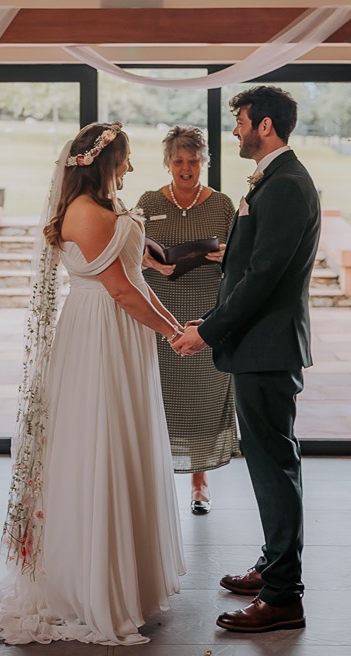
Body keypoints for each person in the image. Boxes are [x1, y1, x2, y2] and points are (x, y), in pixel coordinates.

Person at [0, 121, 186, 646]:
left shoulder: (106, 209)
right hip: (99, 335)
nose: (132, 167)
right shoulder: (87, 213)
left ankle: (125, 581)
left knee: (124, 442)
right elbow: (120, 292)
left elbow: (136, 283)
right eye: (126, 157)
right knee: (99, 444)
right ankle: (90, 587)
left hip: (121, 331)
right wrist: (172, 332)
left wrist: (174, 328)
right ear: (103, 161)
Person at [174, 86, 320, 634]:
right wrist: (208, 321)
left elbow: (263, 278)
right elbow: (243, 270)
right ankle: (272, 566)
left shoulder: (285, 186)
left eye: (239, 122)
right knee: (271, 464)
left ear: (264, 126)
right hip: (259, 345)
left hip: (266, 347)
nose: (234, 131)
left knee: (273, 468)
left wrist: (208, 332)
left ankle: (283, 596)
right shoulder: (276, 179)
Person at [137, 126, 237, 515]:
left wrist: (226, 254)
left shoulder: (222, 205)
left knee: (201, 395)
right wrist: (145, 260)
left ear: (203, 162)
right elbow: (129, 248)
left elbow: (243, 261)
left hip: (205, 312)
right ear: (167, 163)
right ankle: (154, 481)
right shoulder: (147, 200)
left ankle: (200, 481)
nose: (185, 168)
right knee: (156, 395)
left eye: (193, 161)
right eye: (178, 161)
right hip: (157, 308)